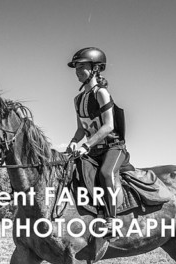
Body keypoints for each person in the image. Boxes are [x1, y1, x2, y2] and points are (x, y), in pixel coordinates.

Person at [67, 47, 129, 237]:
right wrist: (73, 142)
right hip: (92, 151)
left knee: (105, 173)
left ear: (95, 69)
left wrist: (86, 145)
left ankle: (112, 221)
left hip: (114, 148)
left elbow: (109, 126)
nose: (77, 71)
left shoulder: (101, 93)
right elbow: (81, 129)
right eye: (76, 67)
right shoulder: (77, 99)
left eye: (82, 66)